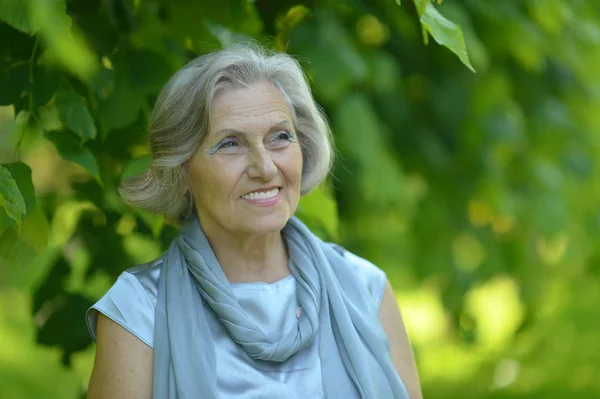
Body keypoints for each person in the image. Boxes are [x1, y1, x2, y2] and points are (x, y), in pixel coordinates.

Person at [86, 43, 422, 399]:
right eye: (230, 144)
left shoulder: (366, 289)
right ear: (182, 170)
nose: (264, 167)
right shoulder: (138, 310)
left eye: (280, 137)